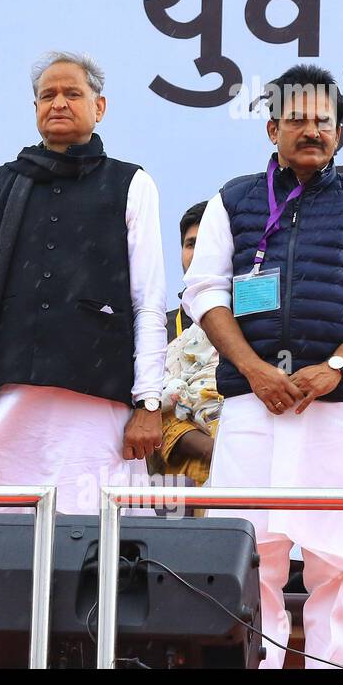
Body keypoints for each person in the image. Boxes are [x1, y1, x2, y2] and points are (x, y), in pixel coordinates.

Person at [183, 63, 343, 669]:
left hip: (337, 407)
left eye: (323, 121)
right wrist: (255, 370)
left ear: (340, 133)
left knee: (338, 562)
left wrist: (335, 365)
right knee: (251, 552)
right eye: (298, 119)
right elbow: (204, 292)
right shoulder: (233, 200)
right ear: (272, 127)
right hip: (253, 405)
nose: (312, 130)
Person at [0, 50, 167, 526]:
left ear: (99, 107)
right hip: (7, 397)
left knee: (93, 540)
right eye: (48, 95)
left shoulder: (131, 183)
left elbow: (149, 303)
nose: (58, 103)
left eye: (72, 93)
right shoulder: (3, 183)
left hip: (98, 401)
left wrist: (148, 404)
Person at [153, 200, 220, 484]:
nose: (198, 252)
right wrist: (213, 450)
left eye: (208, 242)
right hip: (182, 485)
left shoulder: (258, 323)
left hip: (250, 467)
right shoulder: (157, 329)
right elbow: (148, 410)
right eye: (191, 244)